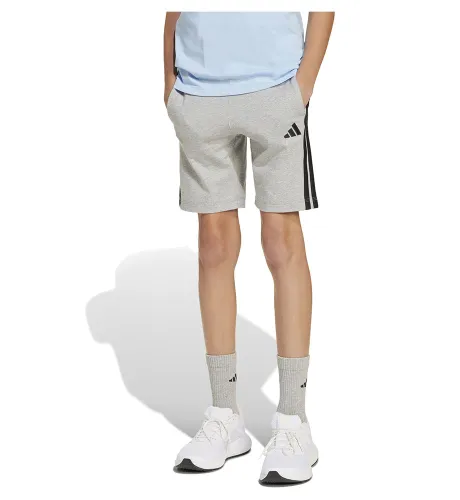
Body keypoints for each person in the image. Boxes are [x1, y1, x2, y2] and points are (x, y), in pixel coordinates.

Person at [164, 11, 334, 485]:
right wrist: (169, 83)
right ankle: (224, 415)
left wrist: (304, 84)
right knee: (213, 246)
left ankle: (293, 422)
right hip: (198, 91)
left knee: (281, 242)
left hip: (276, 88)